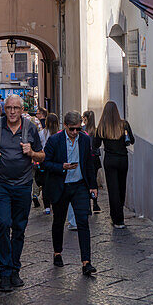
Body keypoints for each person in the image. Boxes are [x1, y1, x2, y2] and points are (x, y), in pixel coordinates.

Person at [0, 93, 44, 292]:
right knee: (3, 223)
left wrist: (31, 153)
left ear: (22, 110)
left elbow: (42, 156)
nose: (12, 112)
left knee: (19, 227)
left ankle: (15, 269)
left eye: (16, 108)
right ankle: (4, 273)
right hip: (2, 184)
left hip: (24, 185)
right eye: (9, 108)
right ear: (4, 109)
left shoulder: (30, 128)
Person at [44, 111, 98, 276]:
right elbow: (45, 163)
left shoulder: (85, 139)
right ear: (65, 126)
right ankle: (57, 252)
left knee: (83, 221)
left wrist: (93, 185)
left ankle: (86, 262)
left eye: (78, 129)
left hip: (80, 186)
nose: (75, 133)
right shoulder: (54, 140)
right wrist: (62, 166)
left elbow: (89, 163)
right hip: (61, 185)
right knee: (58, 221)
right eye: (72, 129)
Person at [95, 100, 135, 228]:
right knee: (121, 187)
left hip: (110, 160)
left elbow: (95, 144)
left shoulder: (102, 126)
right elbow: (132, 140)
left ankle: (117, 219)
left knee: (113, 189)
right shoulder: (124, 125)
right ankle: (120, 216)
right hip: (123, 159)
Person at [83, 110, 102, 212]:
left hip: (86, 158)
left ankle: (88, 206)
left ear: (85, 118)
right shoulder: (96, 131)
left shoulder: (82, 131)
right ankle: (95, 203)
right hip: (94, 158)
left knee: (86, 181)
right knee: (93, 180)